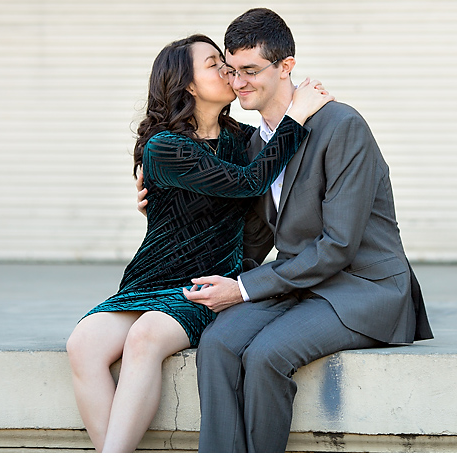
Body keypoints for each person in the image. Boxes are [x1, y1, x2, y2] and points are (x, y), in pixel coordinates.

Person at [179, 8, 433, 452]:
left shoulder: (342, 126)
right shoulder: (259, 143)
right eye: (232, 70)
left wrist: (241, 290)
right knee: (217, 344)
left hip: (362, 287)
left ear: (286, 67)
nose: (238, 84)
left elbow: (337, 246)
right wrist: (168, 207)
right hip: (300, 282)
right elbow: (255, 237)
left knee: (265, 355)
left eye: (252, 71)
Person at [66, 33, 332, 453]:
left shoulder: (244, 141)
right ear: (187, 84)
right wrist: (294, 119)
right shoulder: (165, 147)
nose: (228, 72)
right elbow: (249, 182)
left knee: (145, 337)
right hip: (150, 279)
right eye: (214, 64)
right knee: (82, 343)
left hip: (206, 283)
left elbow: (264, 189)